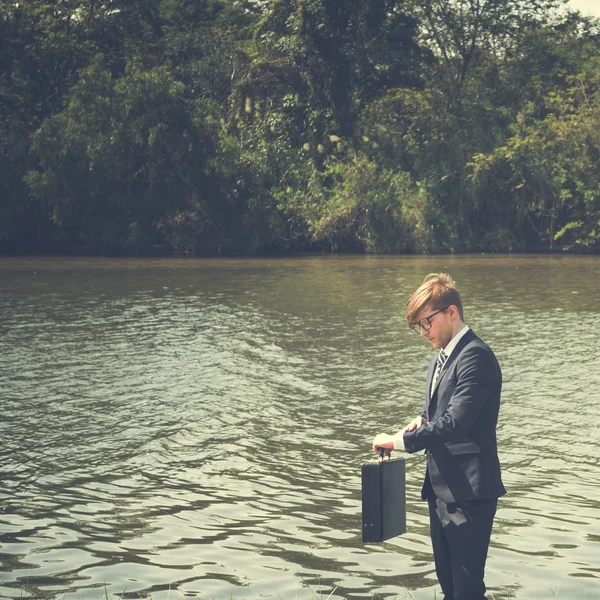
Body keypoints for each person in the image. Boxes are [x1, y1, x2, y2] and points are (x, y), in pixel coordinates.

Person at [373, 273, 506, 600]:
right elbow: (440, 415)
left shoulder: (476, 355)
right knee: (449, 588)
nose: (422, 332)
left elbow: (457, 423)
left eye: (426, 323)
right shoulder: (439, 359)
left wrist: (399, 441)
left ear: (452, 313)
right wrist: (419, 422)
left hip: (469, 494)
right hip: (441, 491)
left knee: (466, 590)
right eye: (417, 326)